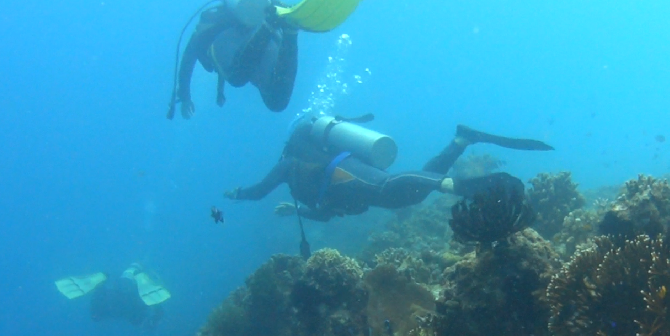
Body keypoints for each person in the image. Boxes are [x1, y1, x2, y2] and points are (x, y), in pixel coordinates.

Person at [223, 116, 554, 222]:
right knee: (406, 195)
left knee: (390, 188)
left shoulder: (290, 164)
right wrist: (299, 212)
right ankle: (460, 142)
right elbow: (326, 214)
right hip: (348, 182)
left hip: (347, 173)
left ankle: (453, 185)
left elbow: (257, 193)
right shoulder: (298, 176)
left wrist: (236, 193)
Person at [168, 0, 380, 119]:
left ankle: (279, 30)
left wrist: (184, 95)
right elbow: (286, 8)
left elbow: (188, 60)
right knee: (274, 101)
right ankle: (289, 34)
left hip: (249, 48)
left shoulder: (212, 25)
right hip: (265, 42)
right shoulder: (249, 12)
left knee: (240, 80)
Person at [54, 264, 170, 328]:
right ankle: (136, 273)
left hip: (115, 301)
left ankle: (104, 278)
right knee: (138, 316)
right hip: (128, 302)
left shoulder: (106, 304)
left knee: (100, 311)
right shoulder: (137, 308)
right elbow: (154, 311)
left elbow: (96, 317)